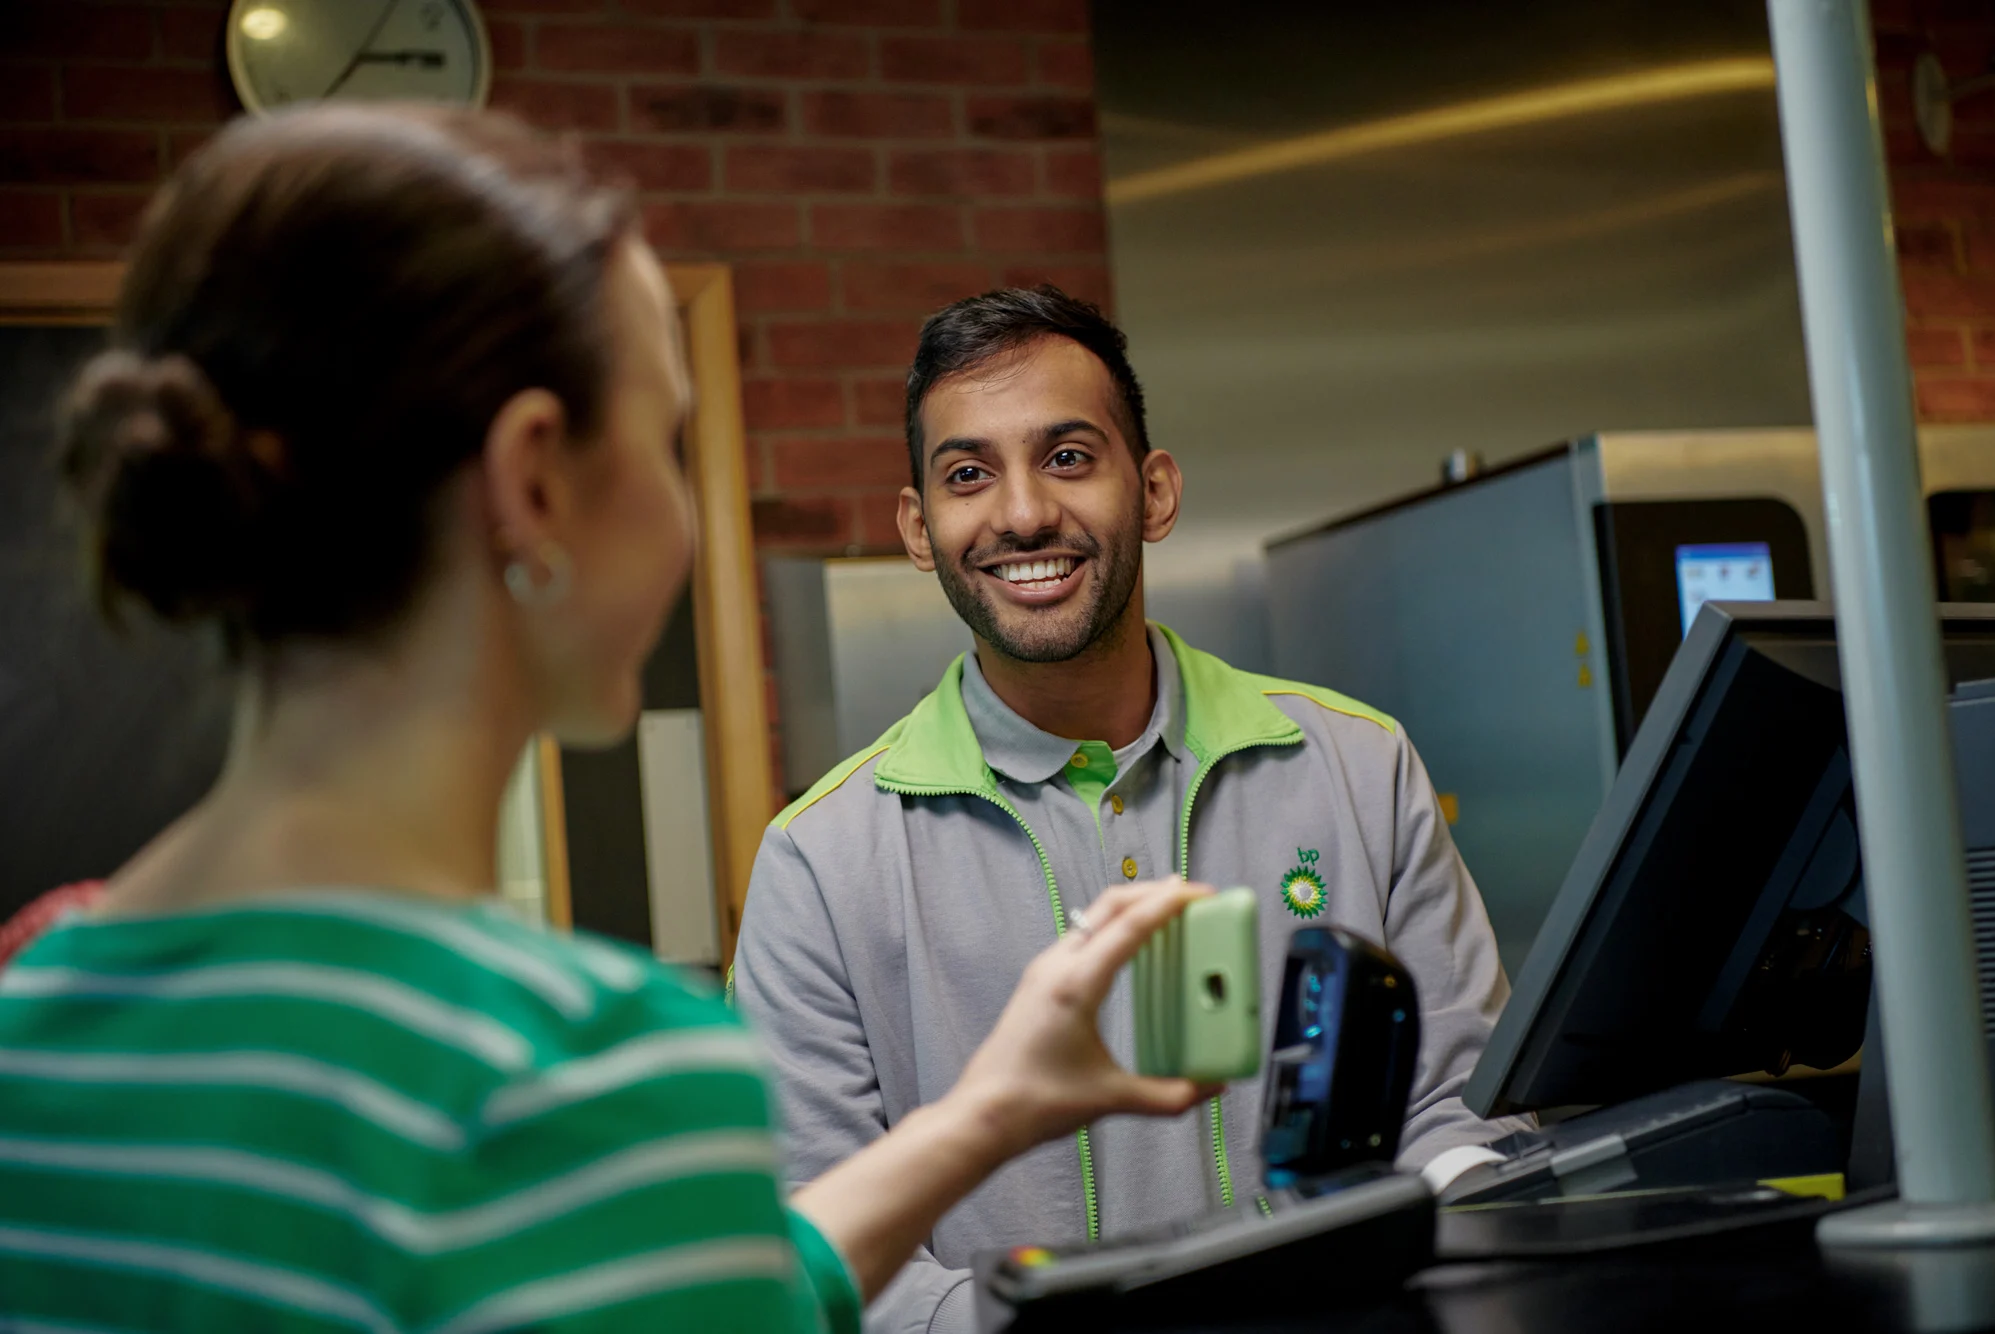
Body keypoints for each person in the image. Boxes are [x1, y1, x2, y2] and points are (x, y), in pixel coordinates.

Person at [0, 106, 1225, 1333]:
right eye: (666, 437)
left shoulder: (39, 1001)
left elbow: (719, 1284)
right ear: (533, 480)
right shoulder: (584, 1079)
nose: (683, 518)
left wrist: (989, 1111)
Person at [732, 285, 1529, 1332]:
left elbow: (1452, 1114)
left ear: (1151, 491)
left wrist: (1494, 1228)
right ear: (918, 528)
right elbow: (818, 1243)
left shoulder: (1355, 764)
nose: (1021, 512)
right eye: (967, 474)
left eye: (1067, 456)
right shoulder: (819, 862)